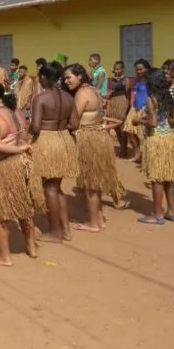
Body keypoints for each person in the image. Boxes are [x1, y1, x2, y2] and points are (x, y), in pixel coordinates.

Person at [0, 81, 41, 266]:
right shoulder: (17, 113)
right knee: (23, 207)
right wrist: (22, 148)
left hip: (3, 167)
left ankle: (5, 256)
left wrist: (20, 149)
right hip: (20, 166)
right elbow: (23, 136)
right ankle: (32, 247)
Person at [63, 63, 121, 233]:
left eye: (69, 77)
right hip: (98, 137)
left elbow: (74, 121)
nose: (66, 81)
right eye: (65, 78)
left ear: (79, 76)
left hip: (88, 138)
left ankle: (93, 223)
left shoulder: (81, 93)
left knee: (90, 183)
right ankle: (99, 218)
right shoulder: (94, 90)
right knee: (95, 182)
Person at [29, 61, 79, 243]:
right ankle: (65, 230)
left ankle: (55, 232)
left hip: (46, 141)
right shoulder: (68, 98)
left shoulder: (40, 98)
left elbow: (35, 127)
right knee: (57, 188)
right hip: (64, 140)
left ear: (43, 77)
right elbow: (75, 124)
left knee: (49, 188)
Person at [133, 68, 174, 224]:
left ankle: (158, 214)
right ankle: (171, 211)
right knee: (169, 177)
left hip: (156, 140)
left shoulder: (151, 99)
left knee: (156, 179)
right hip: (169, 139)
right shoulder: (168, 97)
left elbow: (152, 123)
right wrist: (160, 119)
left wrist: (139, 121)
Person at [123, 59, 151, 163]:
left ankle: (146, 155)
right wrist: (131, 106)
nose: (139, 71)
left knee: (143, 133)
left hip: (146, 110)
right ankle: (137, 154)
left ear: (147, 69)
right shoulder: (136, 80)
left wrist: (147, 108)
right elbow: (133, 94)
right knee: (129, 131)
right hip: (134, 109)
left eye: (141, 69)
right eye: (137, 70)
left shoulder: (150, 81)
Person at [106, 61, 130, 158]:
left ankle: (124, 150)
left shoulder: (126, 80)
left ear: (123, 70)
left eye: (118, 69)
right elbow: (110, 92)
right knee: (116, 128)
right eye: (114, 69)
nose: (116, 71)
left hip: (122, 102)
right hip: (113, 103)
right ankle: (122, 147)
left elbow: (128, 96)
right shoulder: (113, 80)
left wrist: (125, 110)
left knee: (121, 127)